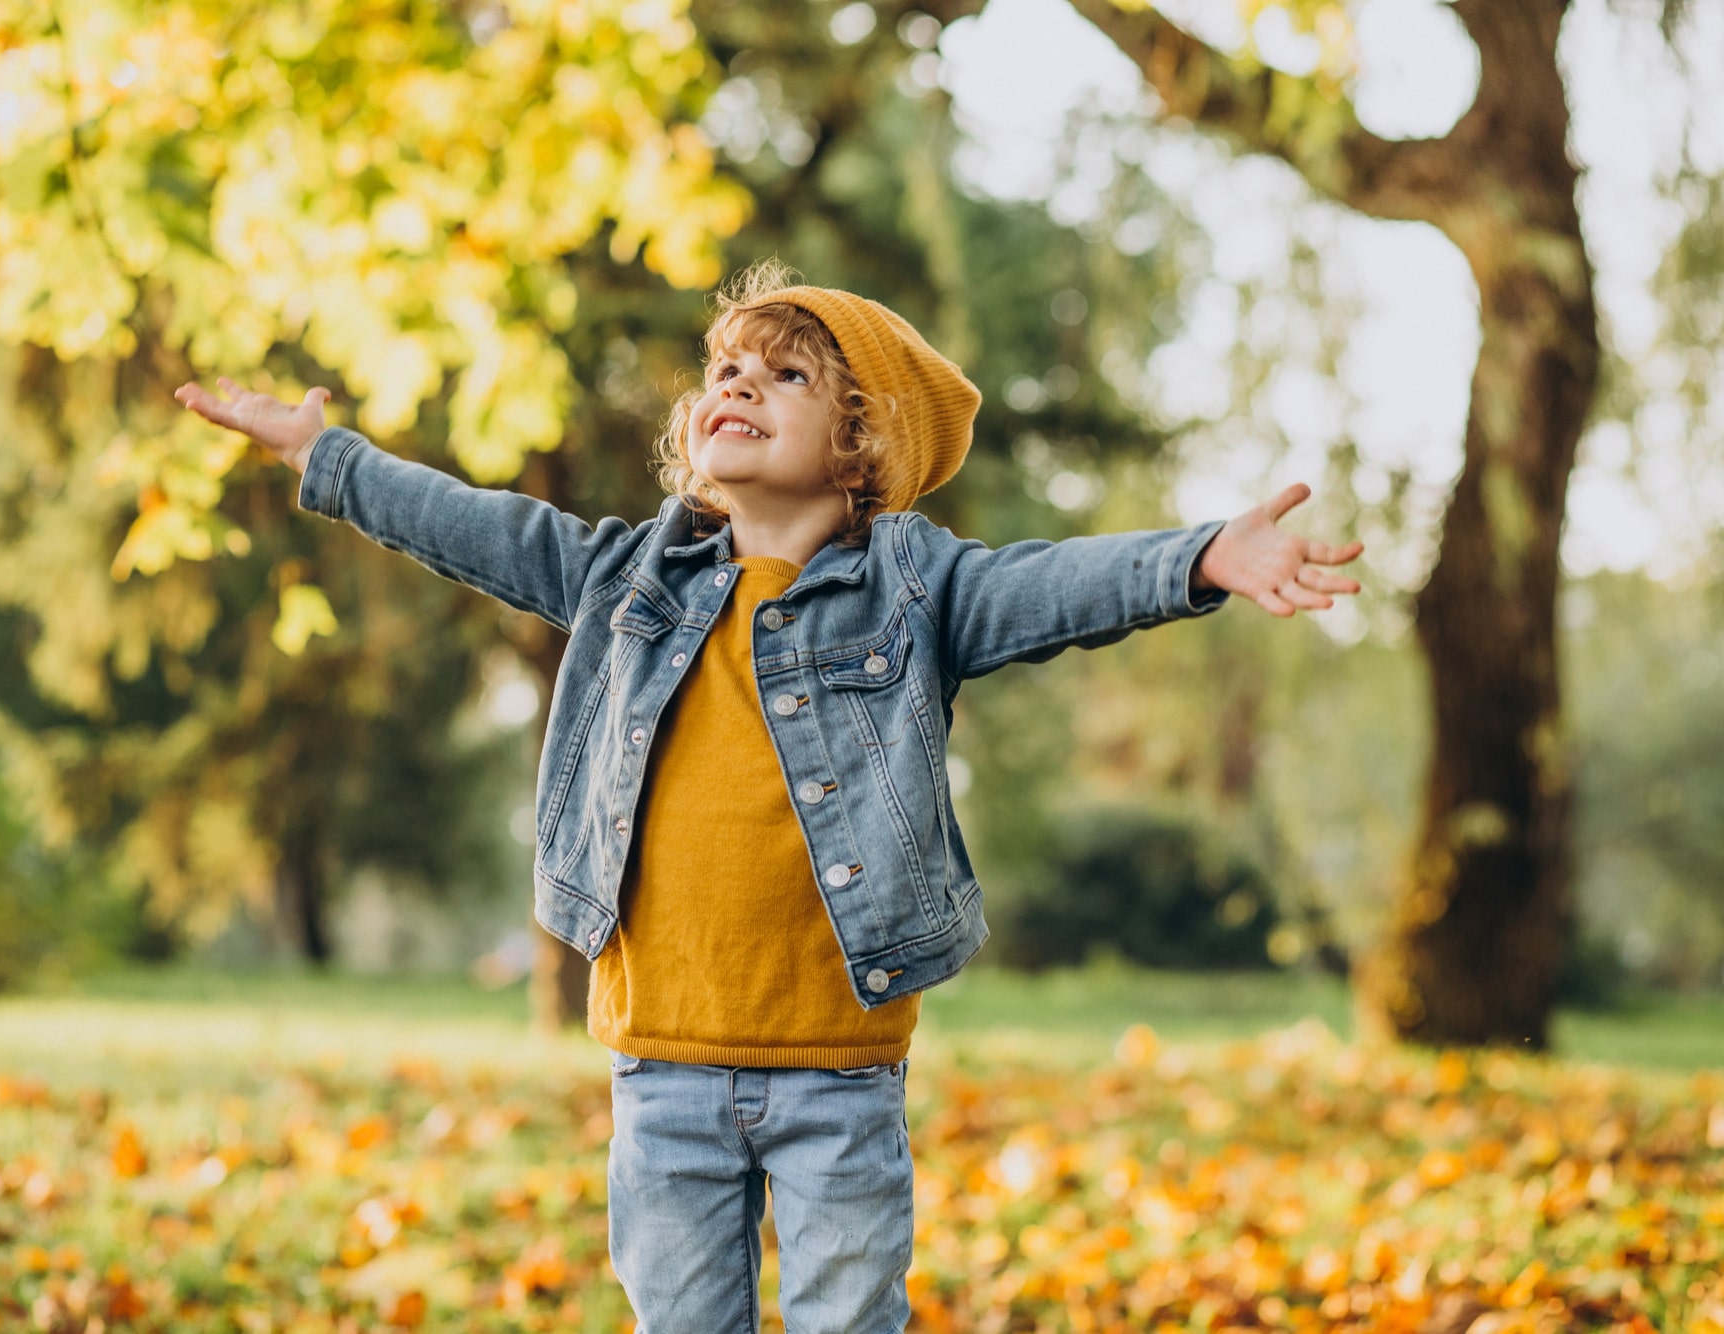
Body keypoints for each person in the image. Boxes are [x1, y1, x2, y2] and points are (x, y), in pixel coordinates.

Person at [175, 261, 1362, 1331]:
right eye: (724, 371)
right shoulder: (626, 576)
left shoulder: (912, 588)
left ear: (861, 440)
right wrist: (324, 455)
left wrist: (1199, 556)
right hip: (662, 1064)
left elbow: (1052, 583)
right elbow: (480, 527)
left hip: (836, 1069)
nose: (735, 385)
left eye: (784, 374)